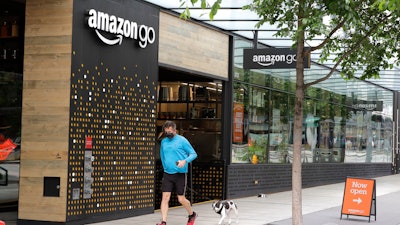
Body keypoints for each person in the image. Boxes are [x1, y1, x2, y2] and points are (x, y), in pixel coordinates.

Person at [157, 120, 198, 225]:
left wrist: (185, 161)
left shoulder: (182, 140)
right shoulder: (164, 142)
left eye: (170, 132)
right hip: (167, 173)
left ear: (175, 130)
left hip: (180, 174)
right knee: (165, 197)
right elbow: (162, 155)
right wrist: (165, 166)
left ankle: (192, 214)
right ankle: (163, 221)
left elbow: (193, 154)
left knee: (181, 199)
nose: (168, 134)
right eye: (166, 132)